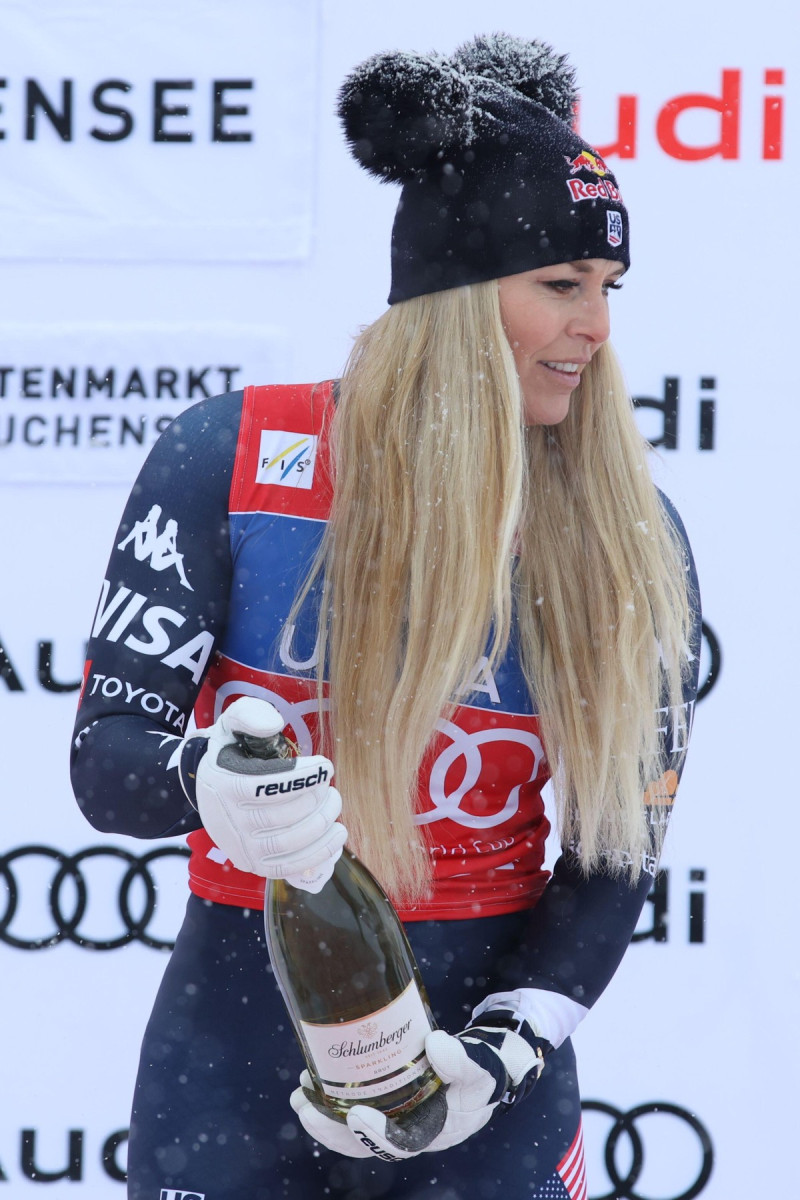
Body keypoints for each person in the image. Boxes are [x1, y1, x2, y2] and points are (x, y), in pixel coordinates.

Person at [70, 32, 701, 1200]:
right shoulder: (232, 457)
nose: (596, 329)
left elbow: (616, 853)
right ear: (457, 299)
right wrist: (212, 777)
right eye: (560, 285)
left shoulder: (628, 531)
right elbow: (107, 772)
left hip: (478, 1067)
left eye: (605, 290)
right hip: (233, 1048)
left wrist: (501, 1052)